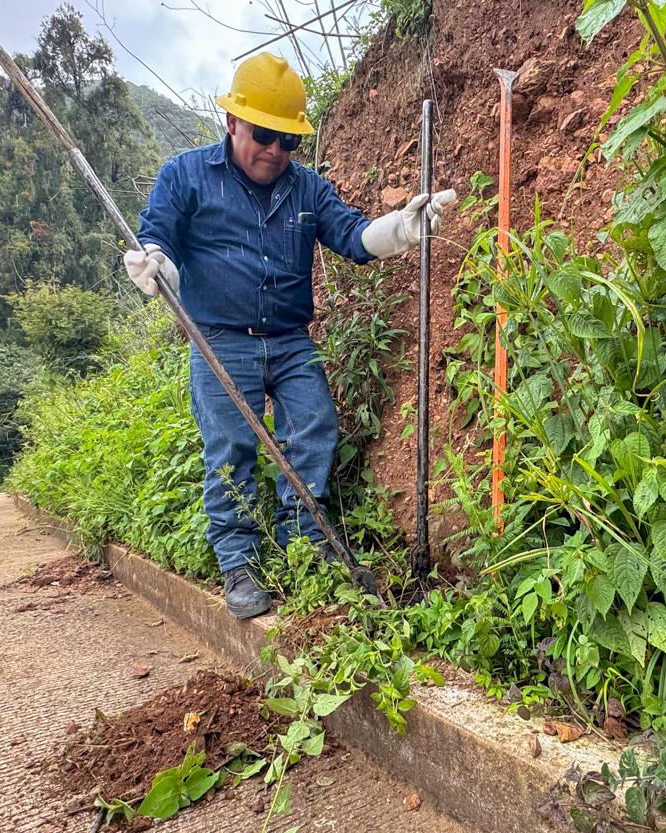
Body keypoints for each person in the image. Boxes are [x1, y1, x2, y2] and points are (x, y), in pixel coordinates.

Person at [125, 53, 455, 619]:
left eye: (289, 141)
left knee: (314, 424)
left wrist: (401, 227)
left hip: (289, 338)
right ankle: (239, 563)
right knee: (230, 452)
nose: (276, 151)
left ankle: (304, 541)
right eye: (265, 135)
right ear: (232, 122)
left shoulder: (306, 189)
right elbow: (159, 239)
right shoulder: (185, 177)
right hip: (220, 339)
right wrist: (158, 265)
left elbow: (352, 236)